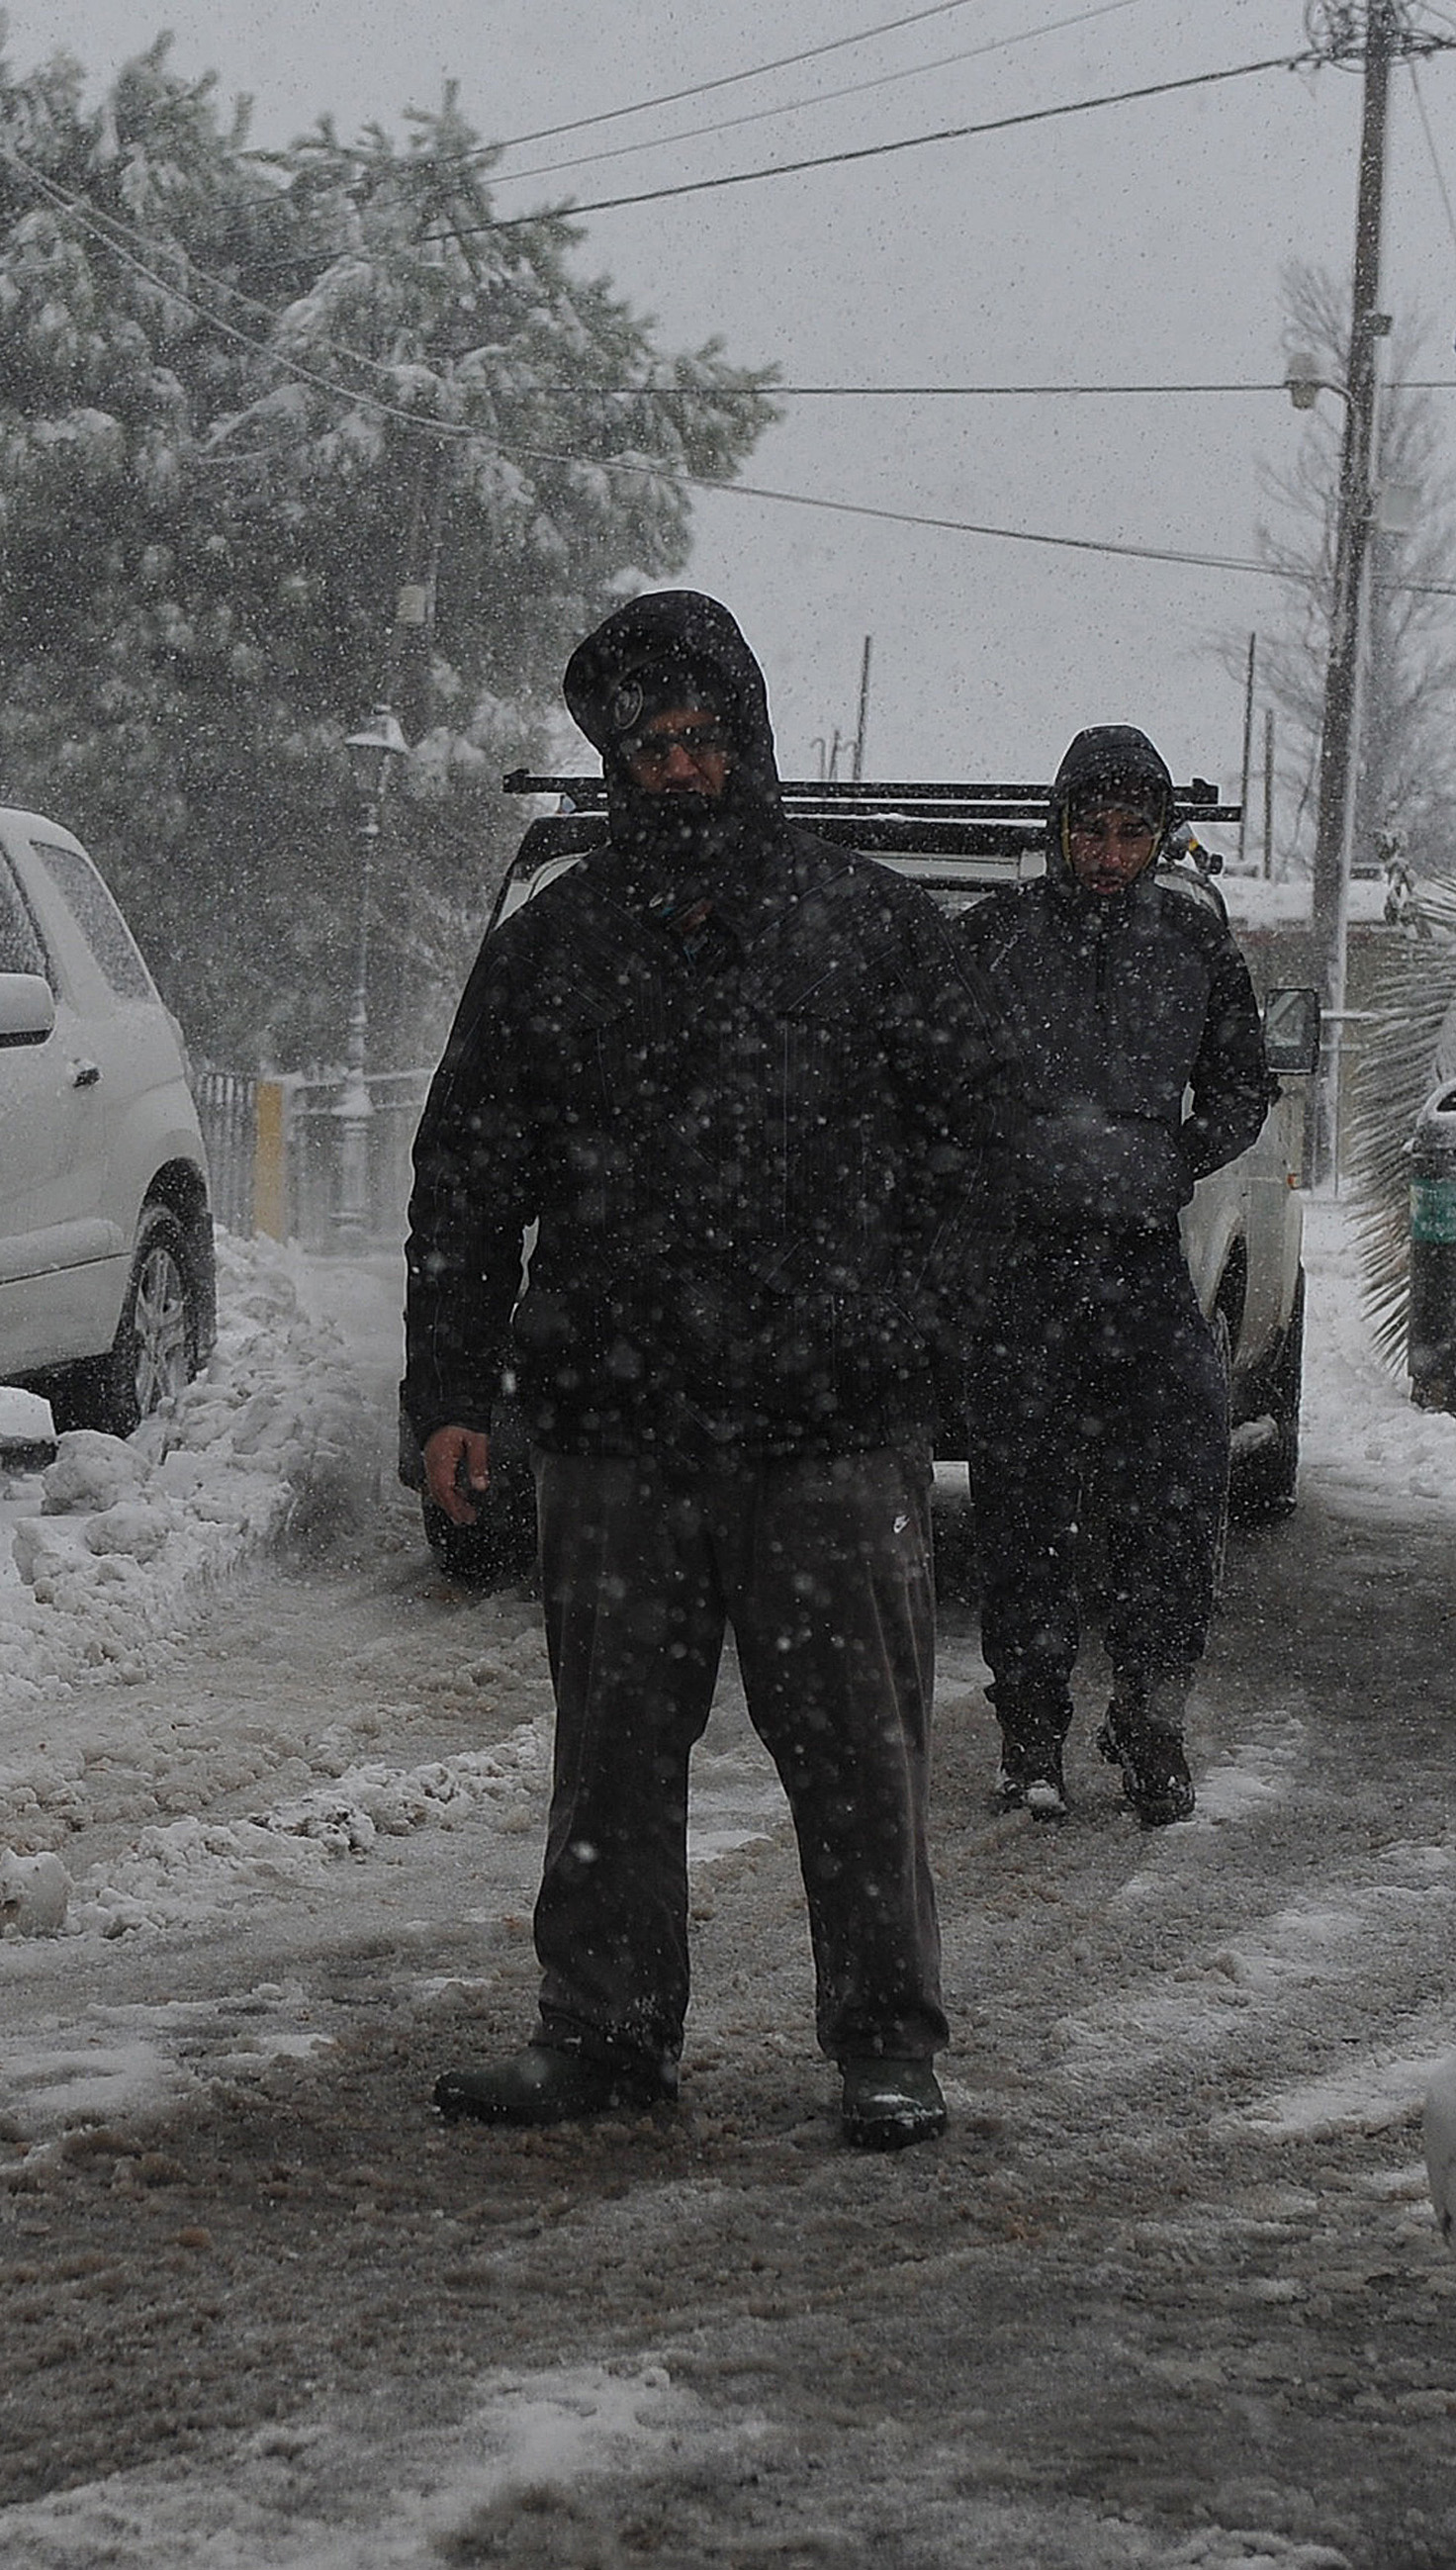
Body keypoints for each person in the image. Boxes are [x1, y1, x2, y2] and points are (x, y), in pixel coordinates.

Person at [406, 590, 1008, 2153]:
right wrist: (450, 1395)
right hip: (612, 1434)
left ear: (748, 743)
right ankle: (601, 2032)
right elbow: (466, 1177)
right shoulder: (553, 951)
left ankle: (884, 2043)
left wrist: (910, 1334)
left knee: (859, 1756)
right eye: (647, 745)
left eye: (701, 739)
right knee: (608, 1762)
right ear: (613, 765)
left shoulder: (871, 930)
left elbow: (977, 1155)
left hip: (826, 1434)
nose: (677, 768)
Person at [955, 726, 1274, 1827]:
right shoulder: (991, 939)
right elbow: (924, 1072)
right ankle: (1029, 1736)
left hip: (1140, 1270)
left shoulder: (1193, 949)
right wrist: (993, 1162)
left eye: (1132, 832)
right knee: (1024, 1510)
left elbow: (1242, 1085)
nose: (1106, 852)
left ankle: (1150, 1721)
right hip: (1022, 1276)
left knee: (1174, 1503)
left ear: (1160, 841)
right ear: (1056, 831)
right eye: (1088, 830)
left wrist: (1168, 1159)